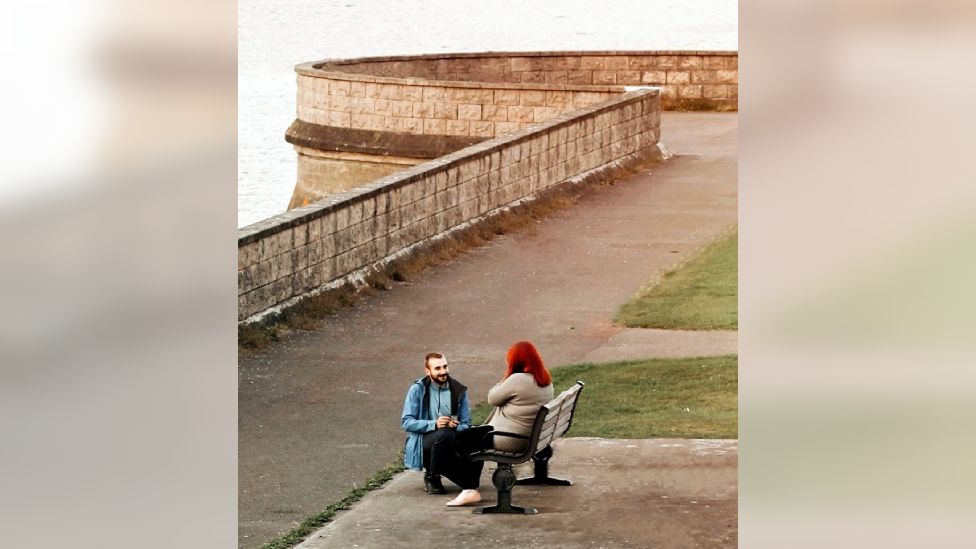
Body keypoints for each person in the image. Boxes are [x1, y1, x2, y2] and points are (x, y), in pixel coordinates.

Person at [401, 352, 487, 506]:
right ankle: (433, 476)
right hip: (425, 439)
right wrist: (434, 424)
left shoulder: (458, 390)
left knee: (479, 434)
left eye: (445, 366)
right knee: (445, 435)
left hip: (450, 437)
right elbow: (407, 422)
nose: (443, 371)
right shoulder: (417, 390)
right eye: (437, 368)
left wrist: (456, 426)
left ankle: (470, 484)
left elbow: (466, 423)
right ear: (428, 371)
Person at [486, 341, 555, 452]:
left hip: (508, 439)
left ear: (515, 360)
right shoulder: (545, 380)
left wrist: (508, 376)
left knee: (465, 439)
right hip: (533, 438)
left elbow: (492, 398)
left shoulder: (518, 379)